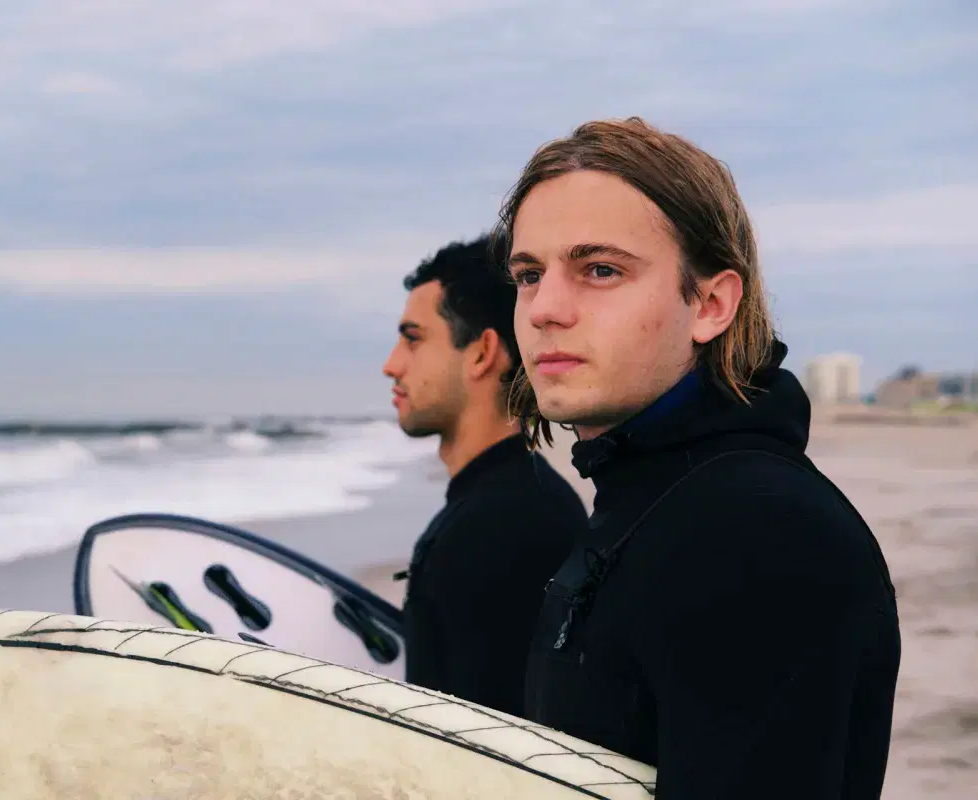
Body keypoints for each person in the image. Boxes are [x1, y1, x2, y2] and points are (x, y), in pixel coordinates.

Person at [495, 118, 900, 799]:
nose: (544, 309)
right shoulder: (648, 502)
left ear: (710, 304)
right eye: (529, 274)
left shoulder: (755, 531)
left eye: (599, 270)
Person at [382, 235, 589, 718]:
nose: (392, 364)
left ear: (481, 353)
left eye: (413, 338)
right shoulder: (523, 499)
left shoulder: (495, 529)